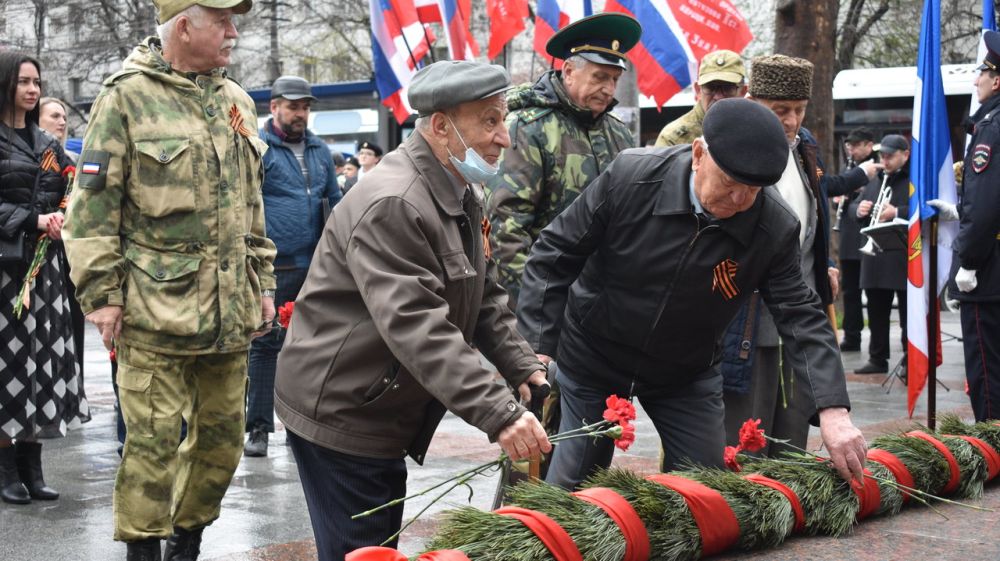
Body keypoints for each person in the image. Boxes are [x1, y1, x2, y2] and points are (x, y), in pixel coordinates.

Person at [273, 60, 551, 561]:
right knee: (365, 552)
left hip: (378, 400)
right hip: (345, 408)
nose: (504, 137)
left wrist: (520, 364)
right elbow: (418, 323)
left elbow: (481, 291)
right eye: (489, 120)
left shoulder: (456, 185)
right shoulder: (396, 200)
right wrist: (499, 412)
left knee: (375, 546)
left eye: (502, 119)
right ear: (441, 127)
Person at [518, 97, 867, 490]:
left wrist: (833, 410)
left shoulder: (773, 225)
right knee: (576, 482)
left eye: (753, 190)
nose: (739, 202)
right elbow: (554, 253)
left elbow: (801, 315)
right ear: (699, 154)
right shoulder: (632, 177)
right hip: (595, 352)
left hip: (685, 369)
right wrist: (537, 345)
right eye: (731, 184)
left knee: (704, 494)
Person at [62, 1, 276, 559]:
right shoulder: (125, 96)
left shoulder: (237, 102)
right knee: (152, 451)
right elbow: (91, 208)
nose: (234, 32)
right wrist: (102, 297)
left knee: (222, 448)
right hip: (154, 310)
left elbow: (252, 208)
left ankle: (187, 543)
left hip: (229, 313)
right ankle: (144, 550)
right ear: (184, 26)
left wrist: (265, 285)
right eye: (222, 21)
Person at [721, 55, 876, 455]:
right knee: (746, 444)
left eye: (799, 110)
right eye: (780, 111)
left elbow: (812, 216)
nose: (791, 121)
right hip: (747, 323)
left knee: (792, 443)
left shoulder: (806, 147)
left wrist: (823, 261)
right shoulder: (730, 154)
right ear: (751, 101)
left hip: (802, 320)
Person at [486, 13, 640, 308]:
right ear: (569, 70)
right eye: (599, 77)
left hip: (606, 306)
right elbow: (506, 229)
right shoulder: (527, 127)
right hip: (548, 304)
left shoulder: (619, 133)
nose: (609, 89)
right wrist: (535, 309)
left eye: (614, 79)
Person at [0, 52, 87, 506]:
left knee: (39, 365)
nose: (32, 90)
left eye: (36, 82)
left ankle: (32, 466)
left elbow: (64, 196)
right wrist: (33, 220)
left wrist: (63, 216)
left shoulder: (46, 144)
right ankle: (6, 469)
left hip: (46, 270)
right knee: (7, 366)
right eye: (23, 82)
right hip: (5, 270)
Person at [244, 75, 342, 457]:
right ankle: (258, 429)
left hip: (315, 264)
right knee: (266, 344)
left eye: (305, 107)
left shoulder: (319, 150)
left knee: (310, 348)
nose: (300, 113)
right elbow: (250, 203)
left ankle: (302, 427)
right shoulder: (259, 147)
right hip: (274, 265)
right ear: (275, 108)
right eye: (293, 106)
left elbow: (334, 201)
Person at [928, 30, 1000, 421]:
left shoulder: (991, 127)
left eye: (981, 74)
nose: (975, 81)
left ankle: (994, 451)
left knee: (988, 372)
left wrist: (967, 262)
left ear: (997, 79)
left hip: (989, 270)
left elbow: (988, 205)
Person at [37, 96, 86, 407]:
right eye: (54, 115)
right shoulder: (31, 157)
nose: (62, 122)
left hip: (71, 257)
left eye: (65, 116)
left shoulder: (73, 160)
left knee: (72, 323)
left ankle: (72, 387)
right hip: (40, 253)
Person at [851, 134, 910, 375]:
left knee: (908, 312)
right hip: (875, 256)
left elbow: (925, 208)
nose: (884, 160)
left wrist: (897, 211)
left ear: (905, 154)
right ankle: (877, 357)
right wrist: (859, 209)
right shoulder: (877, 180)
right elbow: (858, 207)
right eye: (882, 155)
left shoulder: (913, 178)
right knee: (876, 310)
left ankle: (910, 359)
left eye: (890, 156)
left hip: (902, 256)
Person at [836, 127, 879, 352]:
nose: (851, 149)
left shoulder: (878, 167)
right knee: (850, 290)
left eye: (856, 145)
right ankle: (852, 337)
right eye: (849, 145)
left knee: (872, 292)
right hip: (848, 237)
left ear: (869, 145)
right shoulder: (848, 167)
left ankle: (876, 343)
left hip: (867, 237)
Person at [654, 49, 746, 147]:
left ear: (743, 92)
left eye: (727, 88)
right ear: (698, 90)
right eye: (711, 87)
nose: (718, 97)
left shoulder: (754, 130)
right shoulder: (673, 139)